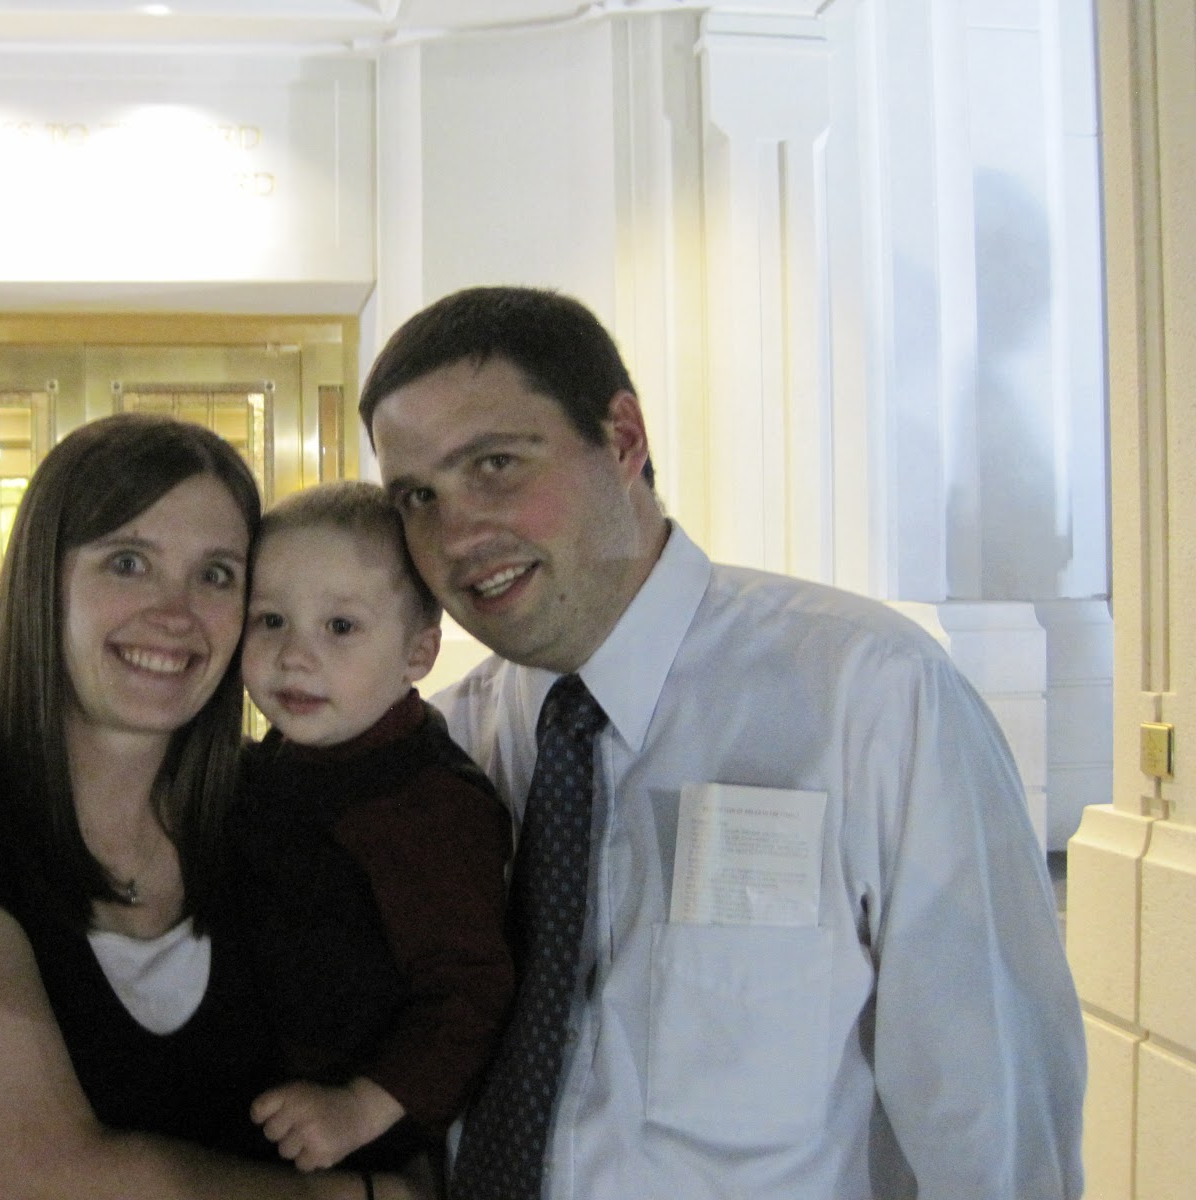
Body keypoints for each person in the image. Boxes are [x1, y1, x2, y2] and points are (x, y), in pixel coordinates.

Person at [357, 286, 1087, 1200]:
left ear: (623, 439)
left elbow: (994, 1128)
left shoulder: (873, 698)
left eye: (496, 464)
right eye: (417, 496)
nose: (458, 534)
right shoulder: (448, 749)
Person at [0, 414, 425, 1200]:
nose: (176, 614)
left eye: (216, 575)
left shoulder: (278, 807)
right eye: (129, 563)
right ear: (44, 580)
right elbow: (45, 1180)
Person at [234, 481, 515, 1175]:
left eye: (340, 627)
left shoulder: (429, 805)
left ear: (418, 654)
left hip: (359, 1141)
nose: (294, 655)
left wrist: (362, 1106)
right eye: (270, 620)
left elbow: (469, 991)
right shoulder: (269, 764)